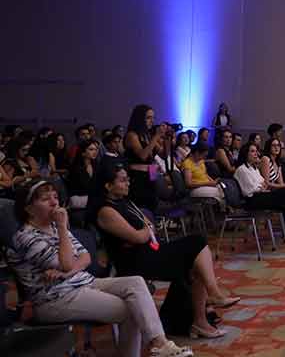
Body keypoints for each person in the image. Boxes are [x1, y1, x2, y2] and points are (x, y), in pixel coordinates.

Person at [6, 180, 192, 357]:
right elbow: (68, 262)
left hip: (81, 283)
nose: (54, 202)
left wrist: (67, 272)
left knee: (135, 282)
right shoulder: (26, 237)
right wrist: (63, 228)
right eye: (46, 199)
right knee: (133, 309)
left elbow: (85, 257)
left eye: (55, 197)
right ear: (29, 209)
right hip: (54, 299)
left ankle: (159, 344)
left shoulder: (53, 227)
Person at [94, 165, 239, 338]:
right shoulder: (106, 211)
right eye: (122, 180)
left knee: (196, 257)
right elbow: (138, 236)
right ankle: (210, 300)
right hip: (135, 261)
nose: (128, 184)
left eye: (128, 179)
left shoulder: (124, 202)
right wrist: (146, 230)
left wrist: (146, 230)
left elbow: (147, 226)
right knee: (196, 245)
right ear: (108, 186)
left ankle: (202, 319)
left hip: (149, 251)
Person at [233, 143, 285, 247]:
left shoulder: (254, 168)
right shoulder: (241, 169)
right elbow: (249, 190)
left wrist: (261, 187)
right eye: (252, 151)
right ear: (245, 154)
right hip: (252, 200)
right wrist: (260, 187)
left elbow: (263, 184)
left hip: (261, 196)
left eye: (256, 151)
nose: (256, 154)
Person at [123, 105, 164, 211]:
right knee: (142, 203)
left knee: (153, 201)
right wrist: (156, 136)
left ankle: (153, 224)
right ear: (140, 119)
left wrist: (168, 139)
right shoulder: (132, 135)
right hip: (138, 174)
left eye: (153, 118)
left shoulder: (147, 135)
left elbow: (163, 154)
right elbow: (142, 156)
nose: (152, 121)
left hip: (152, 171)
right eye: (148, 118)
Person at [180, 142, 224, 207]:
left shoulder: (200, 161)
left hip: (206, 185)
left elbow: (205, 174)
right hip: (195, 188)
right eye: (203, 155)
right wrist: (207, 183)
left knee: (225, 188)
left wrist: (213, 182)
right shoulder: (187, 164)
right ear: (197, 153)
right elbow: (188, 184)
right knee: (221, 192)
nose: (204, 158)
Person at [66, 139, 101, 209]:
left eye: (96, 149)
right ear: (83, 153)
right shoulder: (75, 168)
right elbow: (85, 187)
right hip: (79, 197)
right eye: (91, 149)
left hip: (91, 196)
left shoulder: (95, 165)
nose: (95, 152)